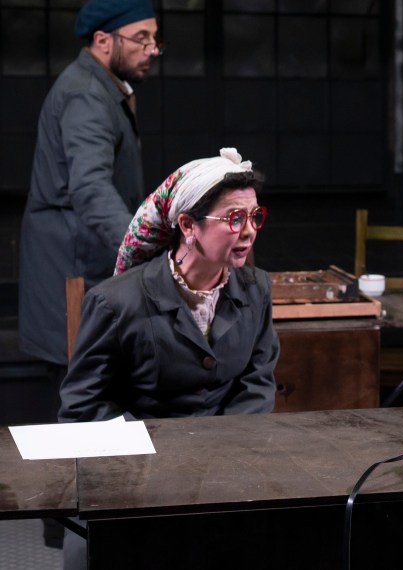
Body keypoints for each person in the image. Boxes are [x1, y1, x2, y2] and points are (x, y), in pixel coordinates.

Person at [58, 148, 280, 569]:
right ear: (187, 225)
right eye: (234, 218)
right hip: (136, 478)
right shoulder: (116, 302)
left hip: (225, 469)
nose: (249, 231)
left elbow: (258, 381)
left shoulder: (256, 290)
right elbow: (82, 406)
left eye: (255, 216)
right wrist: (157, 455)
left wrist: (219, 451)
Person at [17, 0, 159, 548]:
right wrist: (142, 249)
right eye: (141, 38)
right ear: (104, 41)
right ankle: (70, 536)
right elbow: (92, 187)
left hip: (82, 266)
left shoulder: (103, 87)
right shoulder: (85, 94)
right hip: (71, 274)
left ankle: (80, 531)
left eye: (154, 38)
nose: (152, 48)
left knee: (85, 394)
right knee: (76, 399)